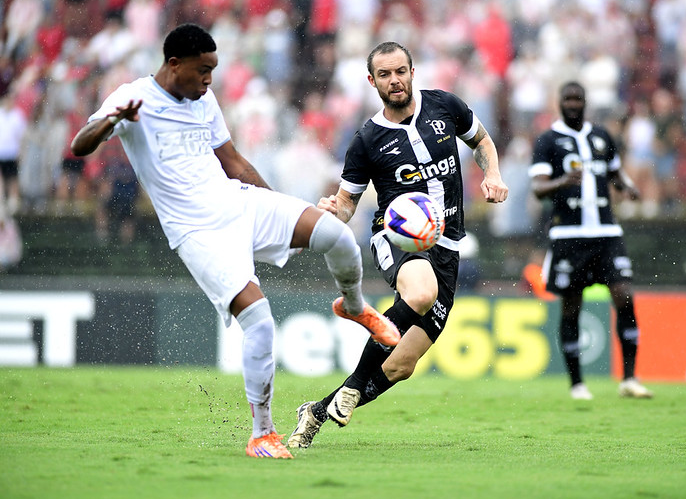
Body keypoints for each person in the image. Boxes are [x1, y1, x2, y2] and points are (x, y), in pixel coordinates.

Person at [70, 23, 400, 460]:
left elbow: (233, 163)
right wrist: (113, 120)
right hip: (198, 233)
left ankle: (354, 307)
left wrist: (278, 207)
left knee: (336, 236)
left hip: (239, 204)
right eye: (203, 70)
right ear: (174, 65)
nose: (209, 80)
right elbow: (80, 145)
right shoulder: (133, 99)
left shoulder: (202, 99)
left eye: (213, 70)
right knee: (260, 324)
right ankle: (262, 433)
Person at [287, 41, 508, 449]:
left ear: (412, 71)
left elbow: (483, 142)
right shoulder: (367, 140)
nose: (395, 81)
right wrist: (329, 212)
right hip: (397, 236)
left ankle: (317, 412)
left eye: (400, 71)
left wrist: (492, 173)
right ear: (372, 81)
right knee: (421, 293)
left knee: (403, 365)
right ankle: (353, 386)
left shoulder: (445, 106)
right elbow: (347, 204)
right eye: (385, 75)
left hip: (449, 246)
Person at [529, 81, 653, 400]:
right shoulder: (548, 141)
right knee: (572, 307)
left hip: (607, 233)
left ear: (585, 103)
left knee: (624, 295)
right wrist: (563, 181)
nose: (573, 104)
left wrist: (627, 187)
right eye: (567, 99)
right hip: (569, 235)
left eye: (577, 99)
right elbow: (538, 188)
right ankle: (577, 383)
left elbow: (614, 172)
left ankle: (629, 378)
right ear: (559, 102)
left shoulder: (601, 136)